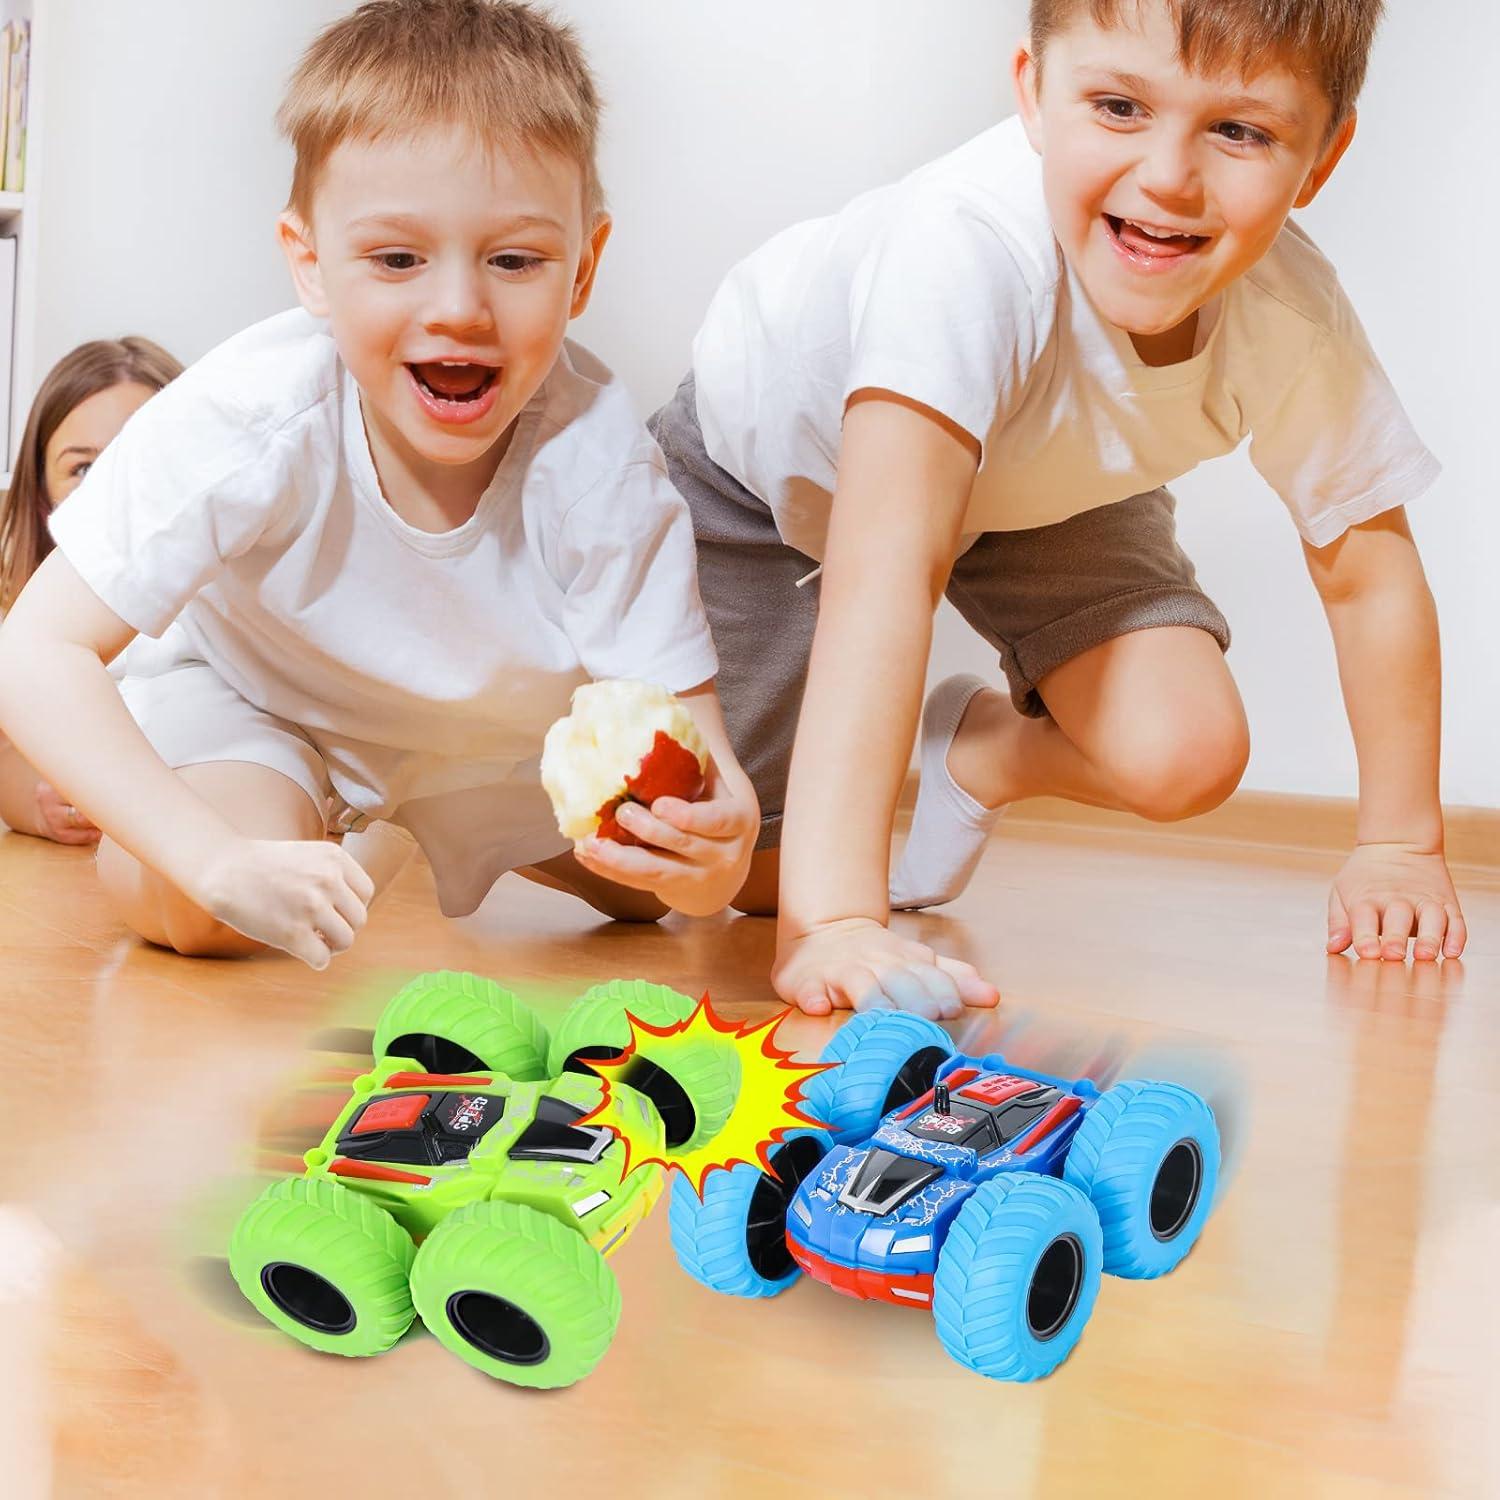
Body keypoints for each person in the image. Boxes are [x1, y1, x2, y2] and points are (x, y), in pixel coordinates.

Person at [649, 0, 1466, 1019]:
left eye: (1240, 131)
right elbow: (887, 575)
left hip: (1039, 490)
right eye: (1119, 106)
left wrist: (1400, 846)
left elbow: (1368, 576)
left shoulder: (1288, 316)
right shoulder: (967, 253)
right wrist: (834, 924)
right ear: (1033, 91)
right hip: (771, 487)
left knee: (1187, 754)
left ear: (1323, 155)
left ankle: (978, 752)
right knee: (711, 872)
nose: (1169, 177)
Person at [0, 0, 758, 969]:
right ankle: (282, 818)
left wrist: (710, 854)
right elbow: (36, 648)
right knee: (202, 912)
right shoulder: (250, 412)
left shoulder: (602, 468)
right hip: (260, 701)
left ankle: (418, 831)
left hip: (492, 745)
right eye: (397, 259)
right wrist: (212, 858)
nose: (458, 310)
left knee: (648, 899)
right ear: (310, 265)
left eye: (515, 259)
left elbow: (705, 811)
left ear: (583, 268)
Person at [0, 337, 183, 844]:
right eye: (82, 468)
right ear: (42, 493)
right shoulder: (17, 612)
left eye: (137, 457)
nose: (110, 490)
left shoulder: (244, 603)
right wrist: (39, 802)